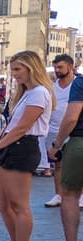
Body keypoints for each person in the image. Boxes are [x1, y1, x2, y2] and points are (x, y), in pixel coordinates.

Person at [0, 50, 54, 241]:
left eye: (18, 69)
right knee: (1, 201)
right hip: (13, 145)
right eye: (13, 69)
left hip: (22, 147)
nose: (14, 74)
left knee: (19, 204)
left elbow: (23, 127)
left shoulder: (39, 93)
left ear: (31, 68)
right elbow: (12, 124)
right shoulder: (27, 93)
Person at [47, 63, 83, 241]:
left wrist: (57, 144)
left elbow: (71, 118)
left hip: (80, 142)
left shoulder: (80, 83)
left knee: (69, 194)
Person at [42, 55, 79, 201]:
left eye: (60, 67)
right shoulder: (51, 87)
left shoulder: (78, 84)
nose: (57, 70)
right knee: (58, 164)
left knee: (76, 164)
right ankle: (58, 194)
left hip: (75, 130)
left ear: (70, 67)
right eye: (56, 67)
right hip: (54, 129)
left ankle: (80, 195)